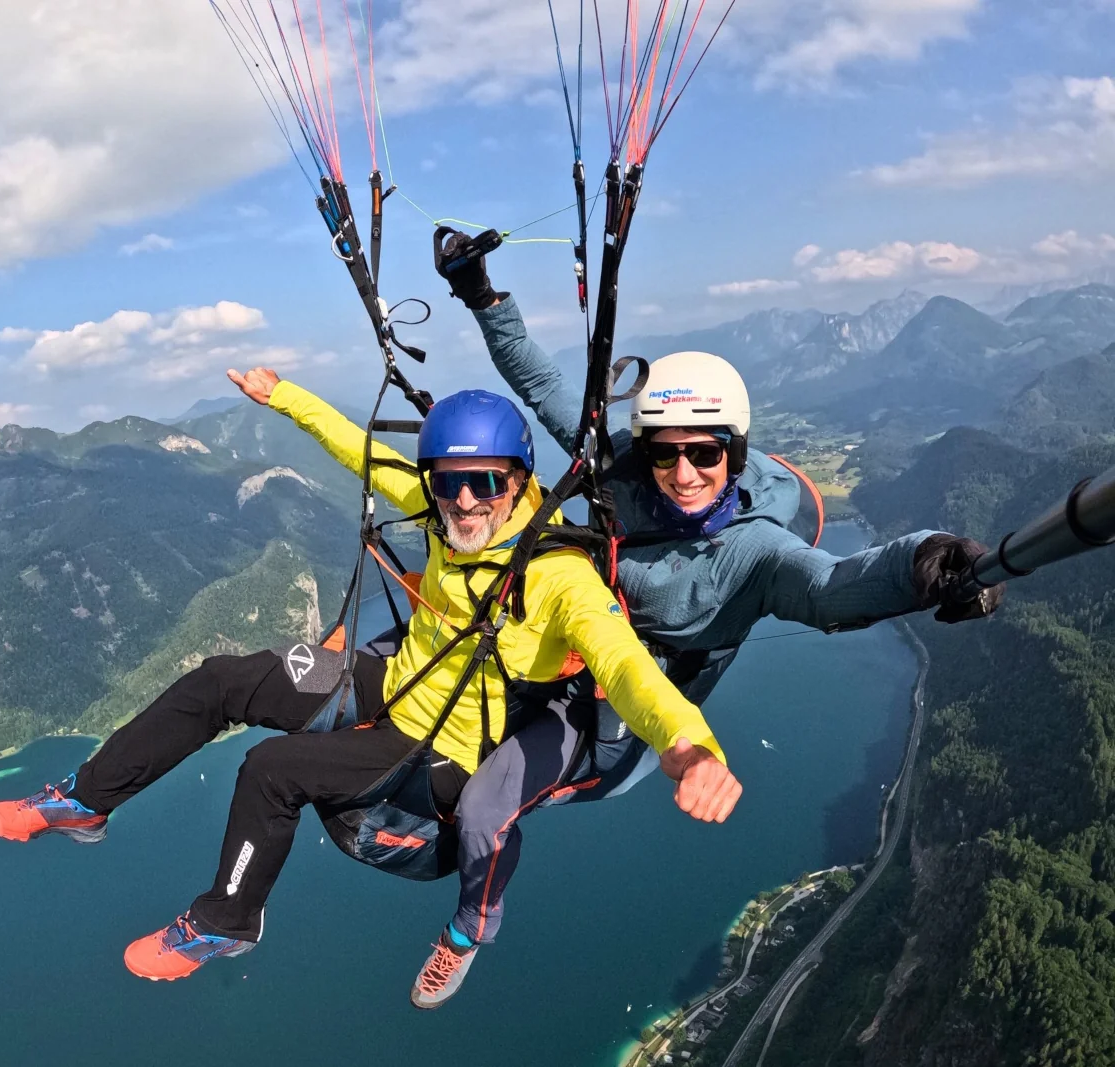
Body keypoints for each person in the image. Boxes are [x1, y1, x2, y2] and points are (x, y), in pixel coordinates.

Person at [0, 371, 743, 982]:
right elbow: (360, 450)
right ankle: (86, 798)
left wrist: (688, 746)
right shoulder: (443, 510)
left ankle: (225, 921)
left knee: (272, 769)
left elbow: (626, 665)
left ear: (518, 481)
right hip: (395, 681)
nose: (465, 501)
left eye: (485, 482)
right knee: (220, 679)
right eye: (448, 482)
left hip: (439, 745)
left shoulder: (558, 577)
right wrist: (284, 395)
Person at [408, 234, 1002, 1008]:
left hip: (630, 712)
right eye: (666, 454)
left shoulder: (753, 551)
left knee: (497, 789)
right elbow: (541, 380)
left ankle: (467, 922)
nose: (684, 473)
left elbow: (831, 586)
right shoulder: (619, 474)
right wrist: (481, 292)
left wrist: (929, 561)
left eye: (707, 453)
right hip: (568, 646)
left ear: (734, 452)